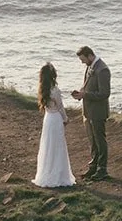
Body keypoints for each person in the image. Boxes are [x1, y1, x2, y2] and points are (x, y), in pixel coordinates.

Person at [71, 45, 111, 181]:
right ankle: (93, 166)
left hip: (98, 112)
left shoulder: (102, 70)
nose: (82, 62)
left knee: (100, 140)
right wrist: (80, 94)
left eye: (83, 59)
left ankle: (102, 169)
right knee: (92, 141)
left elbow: (104, 93)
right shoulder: (91, 66)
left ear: (89, 55)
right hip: (88, 111)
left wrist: (85, 95)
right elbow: (89, 86)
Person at [33, 62, 75, 188]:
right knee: (58, 146)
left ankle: (46, 172)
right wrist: (66, 118)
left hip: (48, 118)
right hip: (56, 118)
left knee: (48, 145)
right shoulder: (55, 90)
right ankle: (59, 175)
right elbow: (60, 107)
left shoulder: (42, 89)